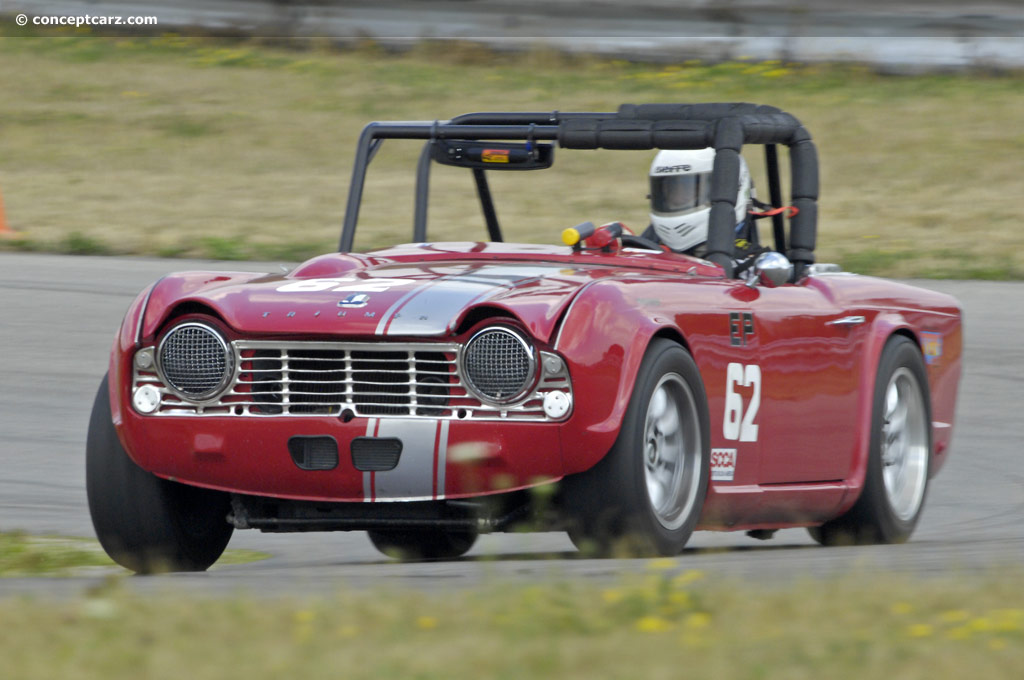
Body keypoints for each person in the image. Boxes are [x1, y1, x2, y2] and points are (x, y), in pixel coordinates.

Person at [641, 148, 767, 275]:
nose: (678, 198)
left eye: (687, 193)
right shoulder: (646, 245)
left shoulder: (750, 266)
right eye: (671, 193)